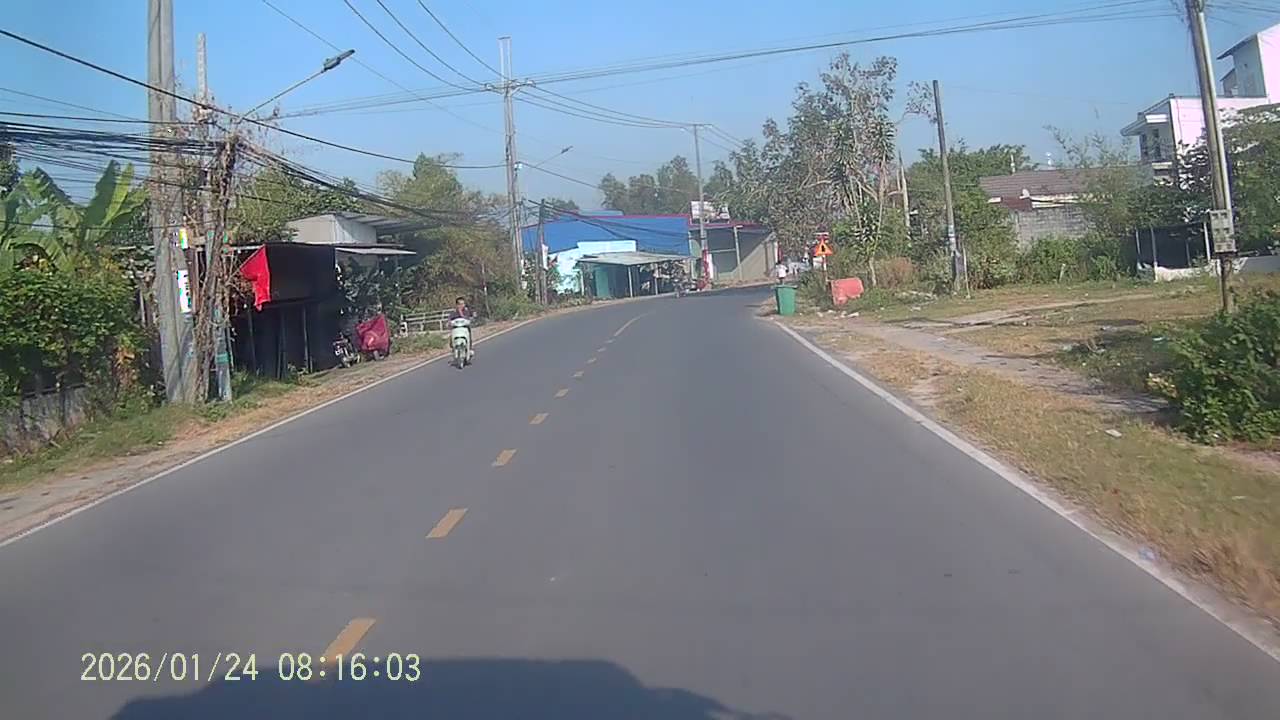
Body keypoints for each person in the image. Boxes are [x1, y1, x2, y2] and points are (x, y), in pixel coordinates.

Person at [448, 296, 475, 361]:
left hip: (465, 328)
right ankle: (453, 348)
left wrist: (471, 318)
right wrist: (449, 323)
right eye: (459, 304)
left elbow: (472, 316)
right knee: (451, 336)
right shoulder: (454, 312)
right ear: (456, 305)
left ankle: (469, 348)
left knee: (469, 335)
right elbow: (449, 319)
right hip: (456, 329)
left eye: (463, 304)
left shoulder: (467, 311)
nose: (461, 305)